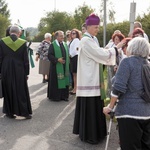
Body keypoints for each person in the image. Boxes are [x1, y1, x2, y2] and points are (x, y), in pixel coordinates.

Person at [73, 13, 124, 144]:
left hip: (93, 77)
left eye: (98, 27)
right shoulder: (86, 40)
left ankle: (97, 132)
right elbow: (100, 54)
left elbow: (99, 51)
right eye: (96, 27)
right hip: (89, 79)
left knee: (94, 106)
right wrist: (116, 48)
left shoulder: (91, 39)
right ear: (88, 27)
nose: (98, 29)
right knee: (91, 107)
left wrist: (107, 49)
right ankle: (91, 135)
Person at [103, 37, 150, 150]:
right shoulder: (147, 63)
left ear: (133, 48)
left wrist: (110, 107)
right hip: (147, 113)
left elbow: (118, 88)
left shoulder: (127, 62)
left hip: (129, 113)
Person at [0, 25, 32, 119]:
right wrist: (27, 73)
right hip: (19, 69)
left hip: (6, 68)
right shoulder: (22, 43)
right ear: (19, 33)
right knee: (21, 90)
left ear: (9, 32)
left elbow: (0, 58)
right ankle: (24, 112)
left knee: (8, 89)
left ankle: (9, 112)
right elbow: (25, 60)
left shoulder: (2, 42)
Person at [47, 30, 70, 101]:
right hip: (56, 67)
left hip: (64, 66)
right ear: (56, 37)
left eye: (63, 36)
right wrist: (57, 60)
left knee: (64, 80)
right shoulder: (53, 45)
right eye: (61, 36)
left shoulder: (65, 44)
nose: (62, 37)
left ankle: (64, 96)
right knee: (56, 82)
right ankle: (55, 96)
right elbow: (49, 55)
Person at [69, 29, 81, 95]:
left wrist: (70, 55)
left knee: (75, 74)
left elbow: (76, 49)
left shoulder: (76, 40)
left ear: (77, 34)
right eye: (72, 33)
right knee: (74, 74)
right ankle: (75, 88)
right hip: (73, 58)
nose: (73, 34)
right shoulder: (73, 40)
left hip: (75, 57)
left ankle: (76, 89)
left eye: (74, 33)